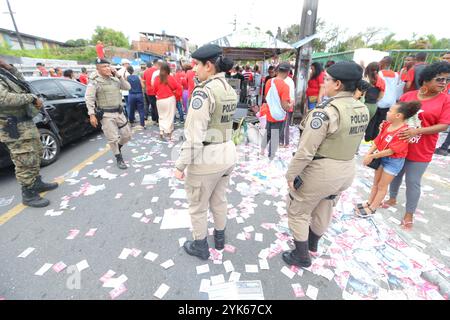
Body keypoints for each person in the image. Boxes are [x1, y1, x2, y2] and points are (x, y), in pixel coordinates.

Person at [283, 61, 369, 268]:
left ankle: (302, 256)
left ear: (338, 84)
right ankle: (313, 244)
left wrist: (291, 175)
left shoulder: (325, 113)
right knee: (325, 207)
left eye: (327, 80)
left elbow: (305, 152)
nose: (324, 83)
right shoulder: (361, 108)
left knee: (299, 211)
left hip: (322, 171)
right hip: (346, 168)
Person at [174, 44, 238, 261]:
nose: (194, 70)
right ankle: (220, 238)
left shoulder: (204, 92)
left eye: (197, 65)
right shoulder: (229, 88)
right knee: (219, 199)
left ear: (208, 66)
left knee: (198, 205)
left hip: (207, 157)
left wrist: (180, 165)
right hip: (227, 152)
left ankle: (200, 246)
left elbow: (194, 137)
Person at [384, 62, 450, 229]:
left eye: (447, 80)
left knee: (413, 181)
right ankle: (392, 198)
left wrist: (416, 131)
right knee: (395, 174)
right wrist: (386, 126)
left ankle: (409, 213)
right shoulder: (408, 96)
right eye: (440, 79)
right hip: (400, 145)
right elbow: (395, 116)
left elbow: (444, 125)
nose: (444, 83)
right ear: (426, 80)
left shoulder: (445, 100)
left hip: (422, 148)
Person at [0, 59, 58, 207]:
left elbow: (22, 83)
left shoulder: (5, 73)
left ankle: (36, 183)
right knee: (24, 160)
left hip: (25, 122)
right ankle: (28, 194)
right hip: (13, 126)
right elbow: (4, 99)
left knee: (36, 153)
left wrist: (9, 67)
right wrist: (31, 98)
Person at [356, 101, 422, 217]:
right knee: (376, 183)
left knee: (382, 186)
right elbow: (378, 140)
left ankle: (373, 208)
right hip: (381, 157)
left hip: (393, 161)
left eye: (390, 111)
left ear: (398, 116)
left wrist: (372, 156)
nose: (387, 112)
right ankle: (369, 202)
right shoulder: (386, 125)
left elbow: (392, 150)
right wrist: (368, 153)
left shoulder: (404, 132)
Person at [85, 58, 132, 170]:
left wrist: (118, 75)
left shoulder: (115, 79)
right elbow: (89, 98)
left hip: (119, 112)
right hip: (106, 115)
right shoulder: (94, 81)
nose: (107, 68)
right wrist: (91, 114)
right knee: (113, 138)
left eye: (108, 66)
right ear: (98, 69)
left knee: (127, 135)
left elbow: (127, 87)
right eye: (103, 67)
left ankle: (118, 147)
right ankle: (118, 157)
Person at [259, 63, 292, 159]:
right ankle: (271, 155)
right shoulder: (285, 86)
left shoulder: (269, 81)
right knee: (275, 135)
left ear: (277, 71)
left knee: (268, 132)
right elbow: (285, 106)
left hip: (269, 112)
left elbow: (266, 97)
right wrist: (290, 104)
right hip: (279, 115)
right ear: (287, 72)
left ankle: (262, 151)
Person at [364, 57, 399, 141]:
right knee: (380, 123)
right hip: (391, 102)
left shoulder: (379, 74)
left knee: (372, 122)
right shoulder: (396, 75)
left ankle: (368, 139)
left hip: (379, 101)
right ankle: (375, 139)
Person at [153, 62, 182, 140]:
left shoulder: (156, 78)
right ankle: (169, 132)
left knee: (161, 116)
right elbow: (177, 87)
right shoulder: (170, 77)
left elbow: (154, 90)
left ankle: (161, 131)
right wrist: (177, 95)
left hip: (159, 100)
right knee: (169, 116)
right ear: (168, 69)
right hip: (169, 99)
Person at [280, 71, 295, 147]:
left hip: (286, 104)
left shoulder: (286, 81)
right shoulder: (290, 80)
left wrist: (289, 104)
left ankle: (285, 143)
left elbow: (291, 95)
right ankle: (283, 142)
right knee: (284, 124)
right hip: (287, 104)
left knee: (284, 124)